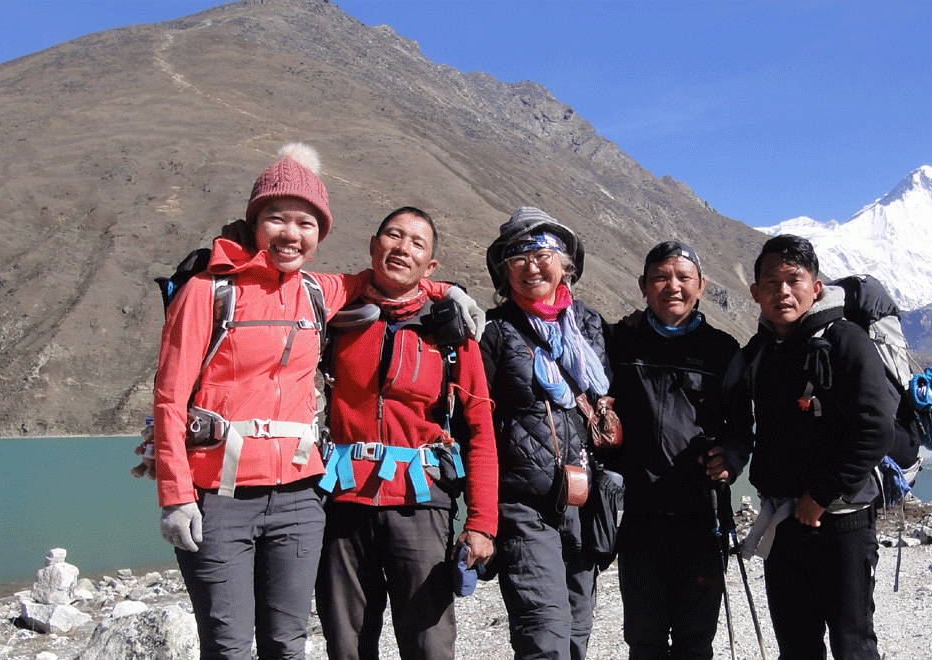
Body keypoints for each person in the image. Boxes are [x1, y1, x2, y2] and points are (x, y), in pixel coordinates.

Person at [151, 144, 463, 660]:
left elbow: (389, 278)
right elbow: (168, 399)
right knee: (228, 646)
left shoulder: (320, 291)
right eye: (277, 219)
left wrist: (446, 291)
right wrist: (175, 495)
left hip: (299, 496)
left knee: (287, 643)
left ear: (320, 234)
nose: (291, 234)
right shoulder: (208, 292)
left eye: (306, 223)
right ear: (255, 223)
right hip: (219, 494)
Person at [316, 206, 500, 660]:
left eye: (417, 243)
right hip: (343, 499)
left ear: (430, 265)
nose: (402, 248)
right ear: (373, 245)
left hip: (421, 502)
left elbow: (479, 433)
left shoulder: (453, 332)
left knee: (428, 644)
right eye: (393, 236)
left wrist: (481, 524)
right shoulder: (339, 315)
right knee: (347, 644)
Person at [709, 234, 899, 660]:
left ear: (815, 287)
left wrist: (820, 495)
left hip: (842, 518)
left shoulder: (845, 340)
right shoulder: (758, 351)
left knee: (852, 644)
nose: (783, 292)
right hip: (782, 515)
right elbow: (740, 424)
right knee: (796, 646)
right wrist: (730, 456)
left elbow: (876, 428)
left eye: (794, 280)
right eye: (771, 283)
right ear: (755, 292)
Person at [478, 207, 612, 660]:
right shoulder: (494, 333)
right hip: (524, 507)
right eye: (517, 255)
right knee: (544, 635)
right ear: (503, 272)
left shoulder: (591, 327)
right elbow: (474, 422)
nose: (532, 263)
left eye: (543, 251)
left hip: (585, 502)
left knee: (578, 630)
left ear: (566, 263)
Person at [608, 241, 740, 660]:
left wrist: (733, 458)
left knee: (695, 640)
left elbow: (741, 426)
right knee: (644, 640)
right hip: (640, 516)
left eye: (683, 277)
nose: (673, 286)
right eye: (661, 277)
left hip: (701, 515)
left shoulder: (723, 350)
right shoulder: (619, 344)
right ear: (643, 286)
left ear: (701, 286)